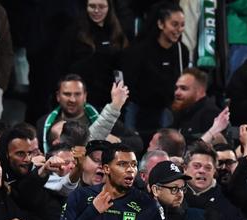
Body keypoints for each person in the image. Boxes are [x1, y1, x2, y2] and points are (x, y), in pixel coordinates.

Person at [120, 2, 188, 134]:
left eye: (182, 25)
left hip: (165, 112)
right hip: (138, 112)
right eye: (174, 24)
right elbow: (128, 86)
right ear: (161, 24)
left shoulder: (182, 51)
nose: (179, 29)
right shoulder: (138, 51)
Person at [54, 0, 128, 110]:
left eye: (102, 7)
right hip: (80, 99)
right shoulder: (73, 32)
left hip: (108, 99)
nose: (97, 10)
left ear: (109, 8)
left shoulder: (116, 32)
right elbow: (61, 66)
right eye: (92, 6)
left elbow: (121, 68)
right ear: (86, 7)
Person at [170, 68, 221, 143]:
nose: (177, 93)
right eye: (176, 88)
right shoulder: (181, 112)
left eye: (183, 88)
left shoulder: (210, 114)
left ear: (200, 91)